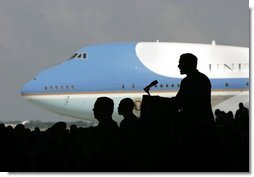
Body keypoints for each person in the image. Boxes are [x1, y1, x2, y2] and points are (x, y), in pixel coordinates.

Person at [172, 53, 214, 125]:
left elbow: (179, 101)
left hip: (195, 124)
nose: (178, 66)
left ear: (188, 64)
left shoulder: (188, 81)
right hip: (205, 123)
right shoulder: (203, 78)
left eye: (180, 63)